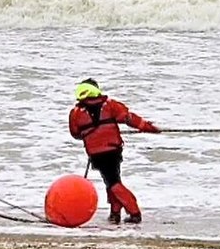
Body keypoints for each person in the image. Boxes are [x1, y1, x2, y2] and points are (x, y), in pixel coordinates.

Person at [68, 79, 159, 224]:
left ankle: (132, 213)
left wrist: (92, 133)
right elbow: (129, 118)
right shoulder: (110, 105)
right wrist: (147, 127)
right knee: (113, 181)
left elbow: (75, 133)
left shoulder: (76, 113)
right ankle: (117, 213)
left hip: (96, 154)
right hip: (113, 150)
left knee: (112, 182)